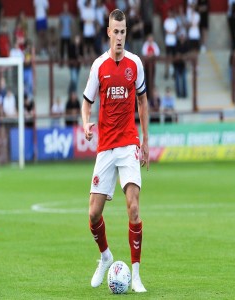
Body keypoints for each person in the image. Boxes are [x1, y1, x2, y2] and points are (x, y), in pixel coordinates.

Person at [81, 9, 149, 293]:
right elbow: (86, 102)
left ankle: (135, 275)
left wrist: (145, 140)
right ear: (108, 32)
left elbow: (143, 102)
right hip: (106, 146)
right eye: (115, 31)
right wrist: (86, 124)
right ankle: (106, 255)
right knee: (94, 214)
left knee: (133, 206)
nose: (119, 36)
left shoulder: (136, 64)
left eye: (123, 31)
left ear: (125, 33)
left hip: (129, 143)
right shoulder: (99, 66)